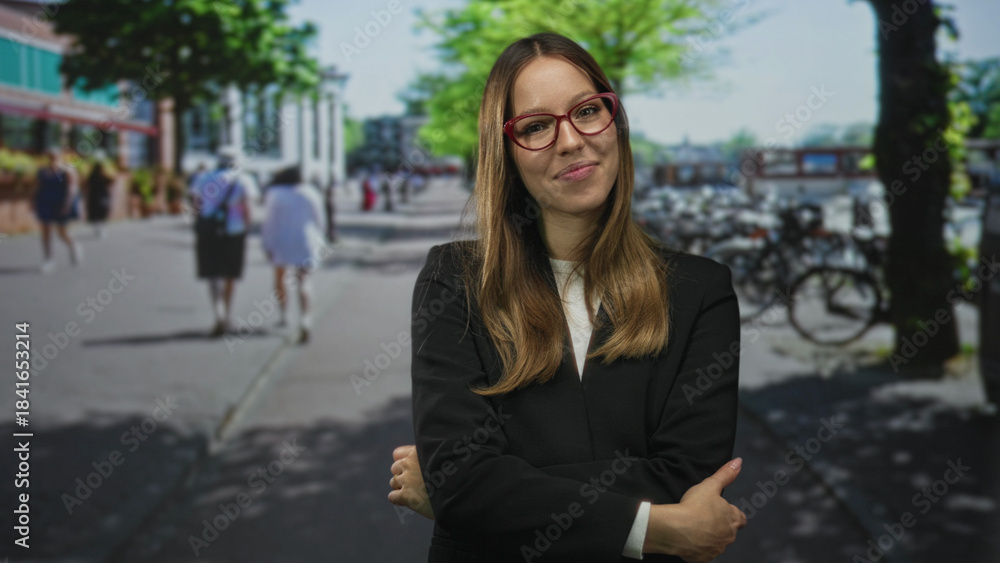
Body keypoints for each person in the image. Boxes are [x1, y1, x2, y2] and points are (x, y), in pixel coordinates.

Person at [387, 33, 745, 562]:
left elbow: (684, 477)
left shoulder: (700, 291)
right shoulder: (456, 280)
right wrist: (653, 530)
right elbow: (463, 479)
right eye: (535, 126)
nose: (571, 140)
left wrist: (472, 495)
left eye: (586, 111)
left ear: (614, 123)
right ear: (504, 155)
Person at [190, 147, 256, 337]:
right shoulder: (243, 180)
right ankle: (227, 313)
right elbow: (247, 209)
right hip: (234, 231)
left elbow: (196, 205)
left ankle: (218, 312)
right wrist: (247, 228)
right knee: (230, 274)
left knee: (212, 273)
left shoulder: (203, 178)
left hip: (209, 230)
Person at [260, 166, 326, 343]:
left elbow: (269, 221)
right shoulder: (310, 192)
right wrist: (321, 239)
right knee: (304, 280)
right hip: (305, 240)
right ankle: (305, 318)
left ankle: (284, 314)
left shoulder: (274, 193)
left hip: (281, 241)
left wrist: (266, 243)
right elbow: (319, 219)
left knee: (280, 277)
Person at [33, 148, 81, 273]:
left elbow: (72, 188)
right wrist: (33, 202)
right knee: (46, 231)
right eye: (50, 157)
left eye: (54, 157)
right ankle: (48, 259)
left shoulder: (66, 170)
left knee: (62, 232)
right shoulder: (43, 172)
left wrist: (67, 204)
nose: (52, 159)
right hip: (45, 203)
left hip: (60, 204)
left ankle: (73, 246)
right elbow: (37, 187)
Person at [85, 154, 114, 239]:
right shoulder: (99, 174)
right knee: (100, 212)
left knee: (98, 212)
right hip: (99, 195)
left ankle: (99, 228)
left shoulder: (95, 174)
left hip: (97, 195)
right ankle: (100, 228)